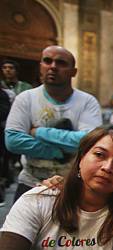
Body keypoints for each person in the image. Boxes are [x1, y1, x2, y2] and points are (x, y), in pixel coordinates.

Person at [4, 46, 102, 202]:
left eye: (61, 63)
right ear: (41, 66)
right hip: (31, 182)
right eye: (47, 61)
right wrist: (57, 152)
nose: (53, 67)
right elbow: (13, 140)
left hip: (72, 185)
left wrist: (39, 132)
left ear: (73, 72)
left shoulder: (87, 102)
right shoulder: (25, 99)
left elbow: (89, 141)